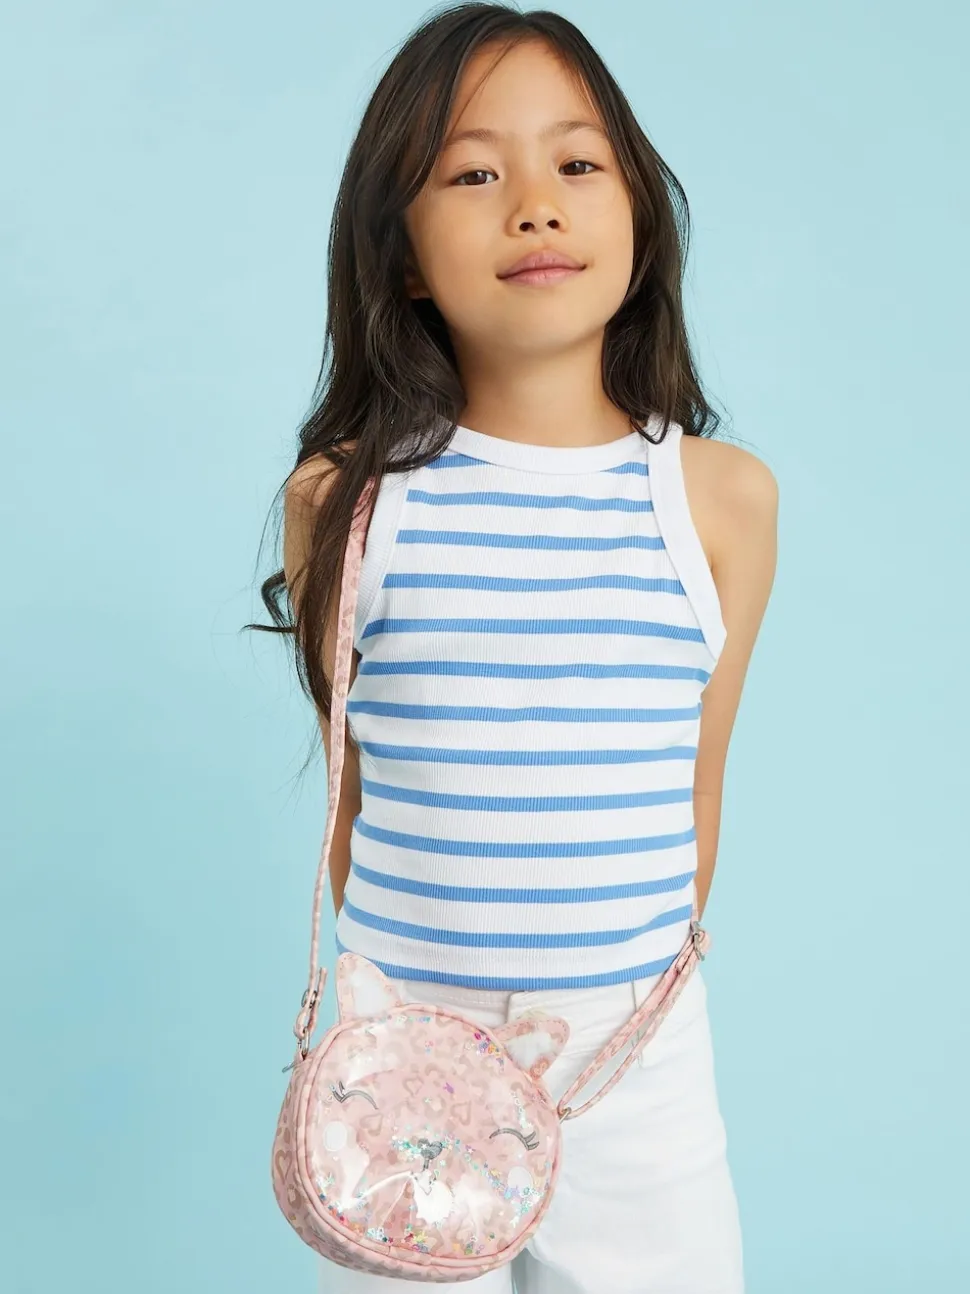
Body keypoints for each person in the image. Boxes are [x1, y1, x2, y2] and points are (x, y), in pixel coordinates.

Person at [270, 5, 778, 1290]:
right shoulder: (344, 500)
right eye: (472, 174)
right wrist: (413, 999)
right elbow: (354, 791)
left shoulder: (718, 499)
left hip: (634, 1055)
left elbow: (697, 787)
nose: (535, 206)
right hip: (404, 1050)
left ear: (639, 217)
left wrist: (613, 987)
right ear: (400, 255)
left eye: (577, 163)